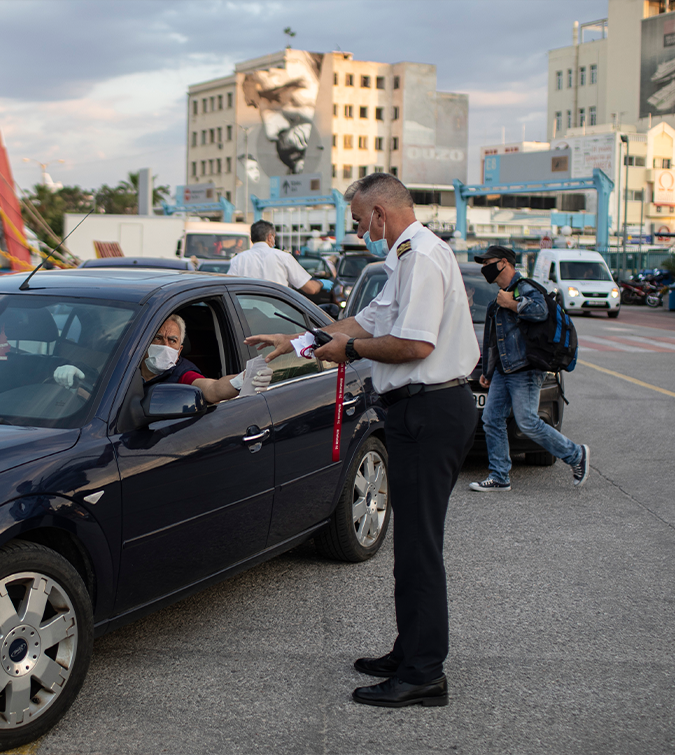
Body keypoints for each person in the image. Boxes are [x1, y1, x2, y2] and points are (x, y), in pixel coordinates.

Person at [246, 173, 480, 708]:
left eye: (358, 221)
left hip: (430, 408)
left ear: (380, 212)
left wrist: (349, 355)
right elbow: (365, 320)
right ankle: (411, 650)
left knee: (420, 547)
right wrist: (301, 341)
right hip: (417, 411)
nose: (358, 232)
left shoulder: (421, 257)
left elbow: (414, 344)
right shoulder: (404, 258)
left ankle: (424, 673)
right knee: (411, 546)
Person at [469, 245, 589, 492]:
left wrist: (513, 304)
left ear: (504, 263)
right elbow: (494, 342)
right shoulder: (500, 297)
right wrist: (488, 373)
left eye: (487, 263)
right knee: (491, 419)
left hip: (525, 369)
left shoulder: (525, 288)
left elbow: (541, 310)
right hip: (504, 371)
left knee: (527, 422)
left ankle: (576, 455)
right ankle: (500, 476)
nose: (484, 269)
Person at [53, 314, 272, 404]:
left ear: (180, 349)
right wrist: (71, 375)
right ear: (143, 343)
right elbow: (97, 386)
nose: (164, 345)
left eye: (172, 340)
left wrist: (239, 381)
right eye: (157, 338)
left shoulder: (182, 372)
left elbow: (211, 388)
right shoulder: (124, 364)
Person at [228, 220, 333, 296]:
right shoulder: (283, 257)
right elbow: (310, 289)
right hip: (277, 314)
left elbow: (229, 286)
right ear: (270, 237)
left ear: (251, 239)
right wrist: (321, 283)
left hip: (246, 316)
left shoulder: (237, 259)